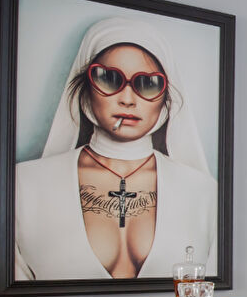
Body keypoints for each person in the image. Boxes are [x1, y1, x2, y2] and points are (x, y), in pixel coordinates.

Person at [14, 17, 216, 281]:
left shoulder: (204, 192)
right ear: (86, 90)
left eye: (148, 83)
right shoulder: (25, 184)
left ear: (166, 98)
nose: (128, 99)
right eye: (109, 79)